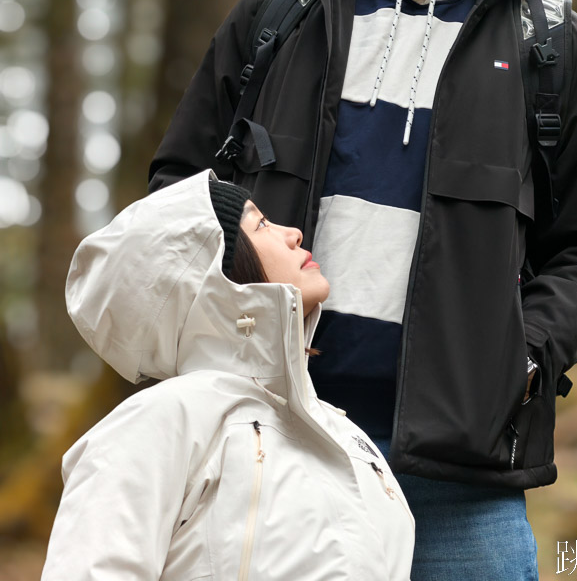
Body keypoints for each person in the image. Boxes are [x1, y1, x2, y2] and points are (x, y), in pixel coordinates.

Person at [149, 0, 577, 579]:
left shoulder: (555, 47)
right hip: (262, 447)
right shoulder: (281, 13)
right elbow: (177, 191)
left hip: (457, 483)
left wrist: (515, 359)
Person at [41, 170, 414, 581]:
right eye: (261, 224)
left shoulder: (348, 436)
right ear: (209, 274)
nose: (293, 233)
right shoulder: (161, 421)